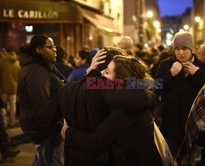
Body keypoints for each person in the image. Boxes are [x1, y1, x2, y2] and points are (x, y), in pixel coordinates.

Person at [60, 53, 171, 166]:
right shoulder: (133, 94)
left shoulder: (126, 108)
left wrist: (67, 131)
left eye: (107, 71)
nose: (102, 73)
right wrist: (91, 73)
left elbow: (93, 143)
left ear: (120, 80)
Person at [155, 32, 205, 158]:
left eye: (184, 49)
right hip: (170, 124)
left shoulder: (202, 67)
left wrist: (197, 74)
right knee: (168, 158)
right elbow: (155, 86)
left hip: (195, 124)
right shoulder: (166, 64)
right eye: (177, 49)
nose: (181, 52)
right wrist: (170, 73)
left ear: (191, 49)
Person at [18, 34, 66, 166]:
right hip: (47, 131)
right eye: (50, 47)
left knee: (43, 160)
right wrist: (57, 129)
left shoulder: (43, 66)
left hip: (47, 129)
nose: (54, 50)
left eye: (54, 47)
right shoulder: (36, 71)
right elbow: (42, 107)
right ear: (39, 50)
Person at [0, 48, 21, 128]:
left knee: (3, 107)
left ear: (7, 53)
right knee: (13, 106)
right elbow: (19, 77)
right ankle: (12, 122)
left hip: (3, 88)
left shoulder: (2, 62)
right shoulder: (17, 63)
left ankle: (4, 123)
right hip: (14, 88)